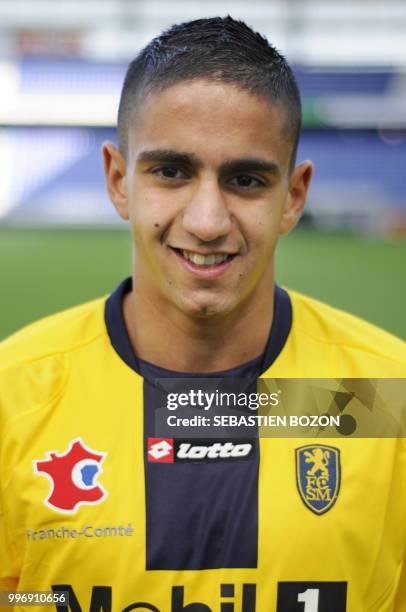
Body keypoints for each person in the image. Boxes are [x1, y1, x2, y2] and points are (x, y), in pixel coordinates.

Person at [0, 16, 405, 612]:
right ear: (117, 180)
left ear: (293, 197)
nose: (208, 221)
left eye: (245, 179)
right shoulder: (13, 393)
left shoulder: (384, 392)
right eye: (171, 171)